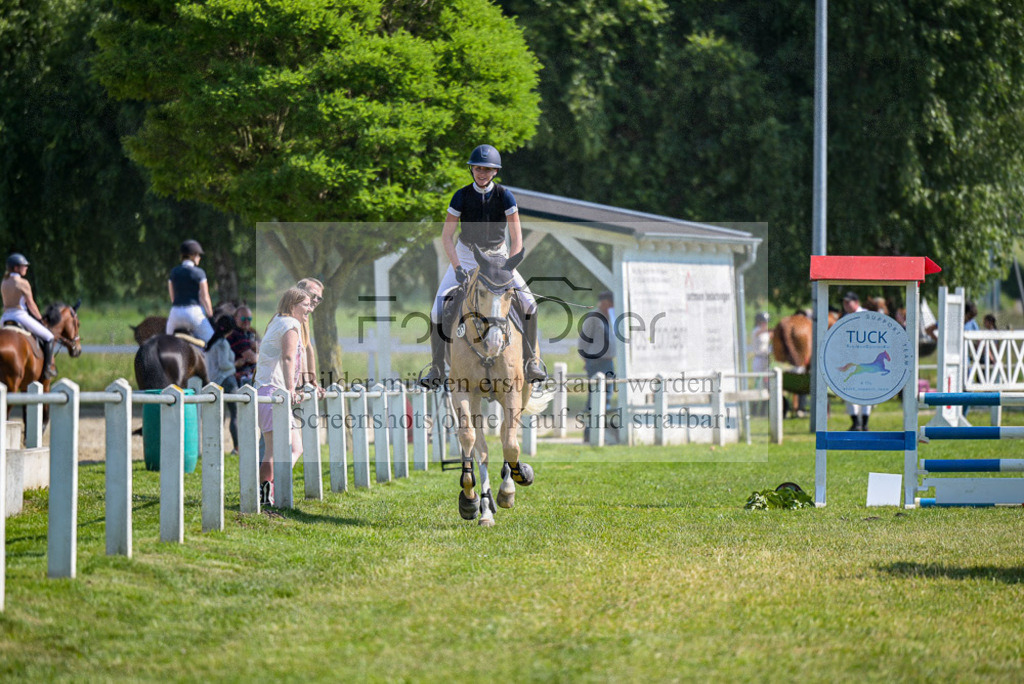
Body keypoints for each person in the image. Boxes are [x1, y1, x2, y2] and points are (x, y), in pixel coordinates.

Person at [420, 144, 546, 388]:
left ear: (495, 172)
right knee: (437, 310)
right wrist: (457, 267)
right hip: (467, 256)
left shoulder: (505, 196)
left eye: (487, 170)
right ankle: (436, 368)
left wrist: (511, 264)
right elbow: (447, 236)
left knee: (530, 303)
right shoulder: (461, 196)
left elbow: (516, 235)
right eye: (478, 168)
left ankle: (531, 362)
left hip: (498, 259)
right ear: (472, 169)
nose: (482, 173)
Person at [254, 287, 312, 506]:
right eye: (305, 305)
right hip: (272, 392)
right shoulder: (290, 324)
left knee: (296, 448)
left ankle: (272, 486)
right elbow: (288, 357)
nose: (309, 309)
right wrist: (291, 389)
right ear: (292, 305)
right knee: (273, 449)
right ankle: (263, 492)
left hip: (269, 390)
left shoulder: (278, 320)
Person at [1, 253, 55, 378]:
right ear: (16, 268)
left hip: (4, 318)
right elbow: (31, 304)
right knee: (49, 337)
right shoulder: (23, 282)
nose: (26, 267)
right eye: (23, 266)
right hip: (20, 315)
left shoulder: (4, 282)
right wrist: (40, 319)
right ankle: (48, 370)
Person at [578, 291, 615, 442]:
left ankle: (601, 431)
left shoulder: (611, 316)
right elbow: (583, 341)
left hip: (608, 362)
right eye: (610, 303)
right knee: (595, 398)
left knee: (607, 396)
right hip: (596, 362)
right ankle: (589, 432)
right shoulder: (593, 317)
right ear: (604, 302)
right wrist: (587, 360)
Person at [166, 239, 214, 344]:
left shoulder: (173, 272)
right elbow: (205, 297)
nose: (199, 258)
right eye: (198, 255)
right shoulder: (199, 273)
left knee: (166, 341)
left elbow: (172, 297)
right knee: (214, 342)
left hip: (175, 314)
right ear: (192, 255)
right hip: (193, 314)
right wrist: (210, 316)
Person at [205, 314, 241, 454]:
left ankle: (215, 446)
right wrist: (235, 365)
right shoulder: (223, 343)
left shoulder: (211, 343)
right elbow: (224, 364)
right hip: (227, 379)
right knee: (235, 414)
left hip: (214, 382)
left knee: (219, 415)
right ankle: (237, 447)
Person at [841, 291, 871, 431]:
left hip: (866, 358)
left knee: (867, 389)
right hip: (850, 358)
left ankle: (864, 423)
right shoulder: (844, 318)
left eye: (848, 302)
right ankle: (855, 421)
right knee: (849, 389)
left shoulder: (867, 315)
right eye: (844, 302)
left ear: (856, 302)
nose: (846, 305)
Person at [296, 278, 325, 393]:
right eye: (313, 295)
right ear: (299, 292)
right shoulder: (290, 315)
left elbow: (308, 347)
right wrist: (304, 383)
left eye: (320, 298)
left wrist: (312, 381)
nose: (316, 300)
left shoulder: (305, 317)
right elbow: (299, 351)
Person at [228, 304, 260, 387]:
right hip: (240, 377)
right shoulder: (236, 334)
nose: (246, 321)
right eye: (243, 318)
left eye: (249, 319)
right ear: (235, 318)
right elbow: (252, 358)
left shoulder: (247, 334)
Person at [750, 312, 773, 415]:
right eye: (763, 322)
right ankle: (754, 409)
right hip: (758, 359)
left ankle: (764, 410)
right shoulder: (756, 331)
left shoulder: (766, 333)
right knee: (758, 385)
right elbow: (760, 332)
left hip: (766, 359)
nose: (765, 324)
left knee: (767, 384)